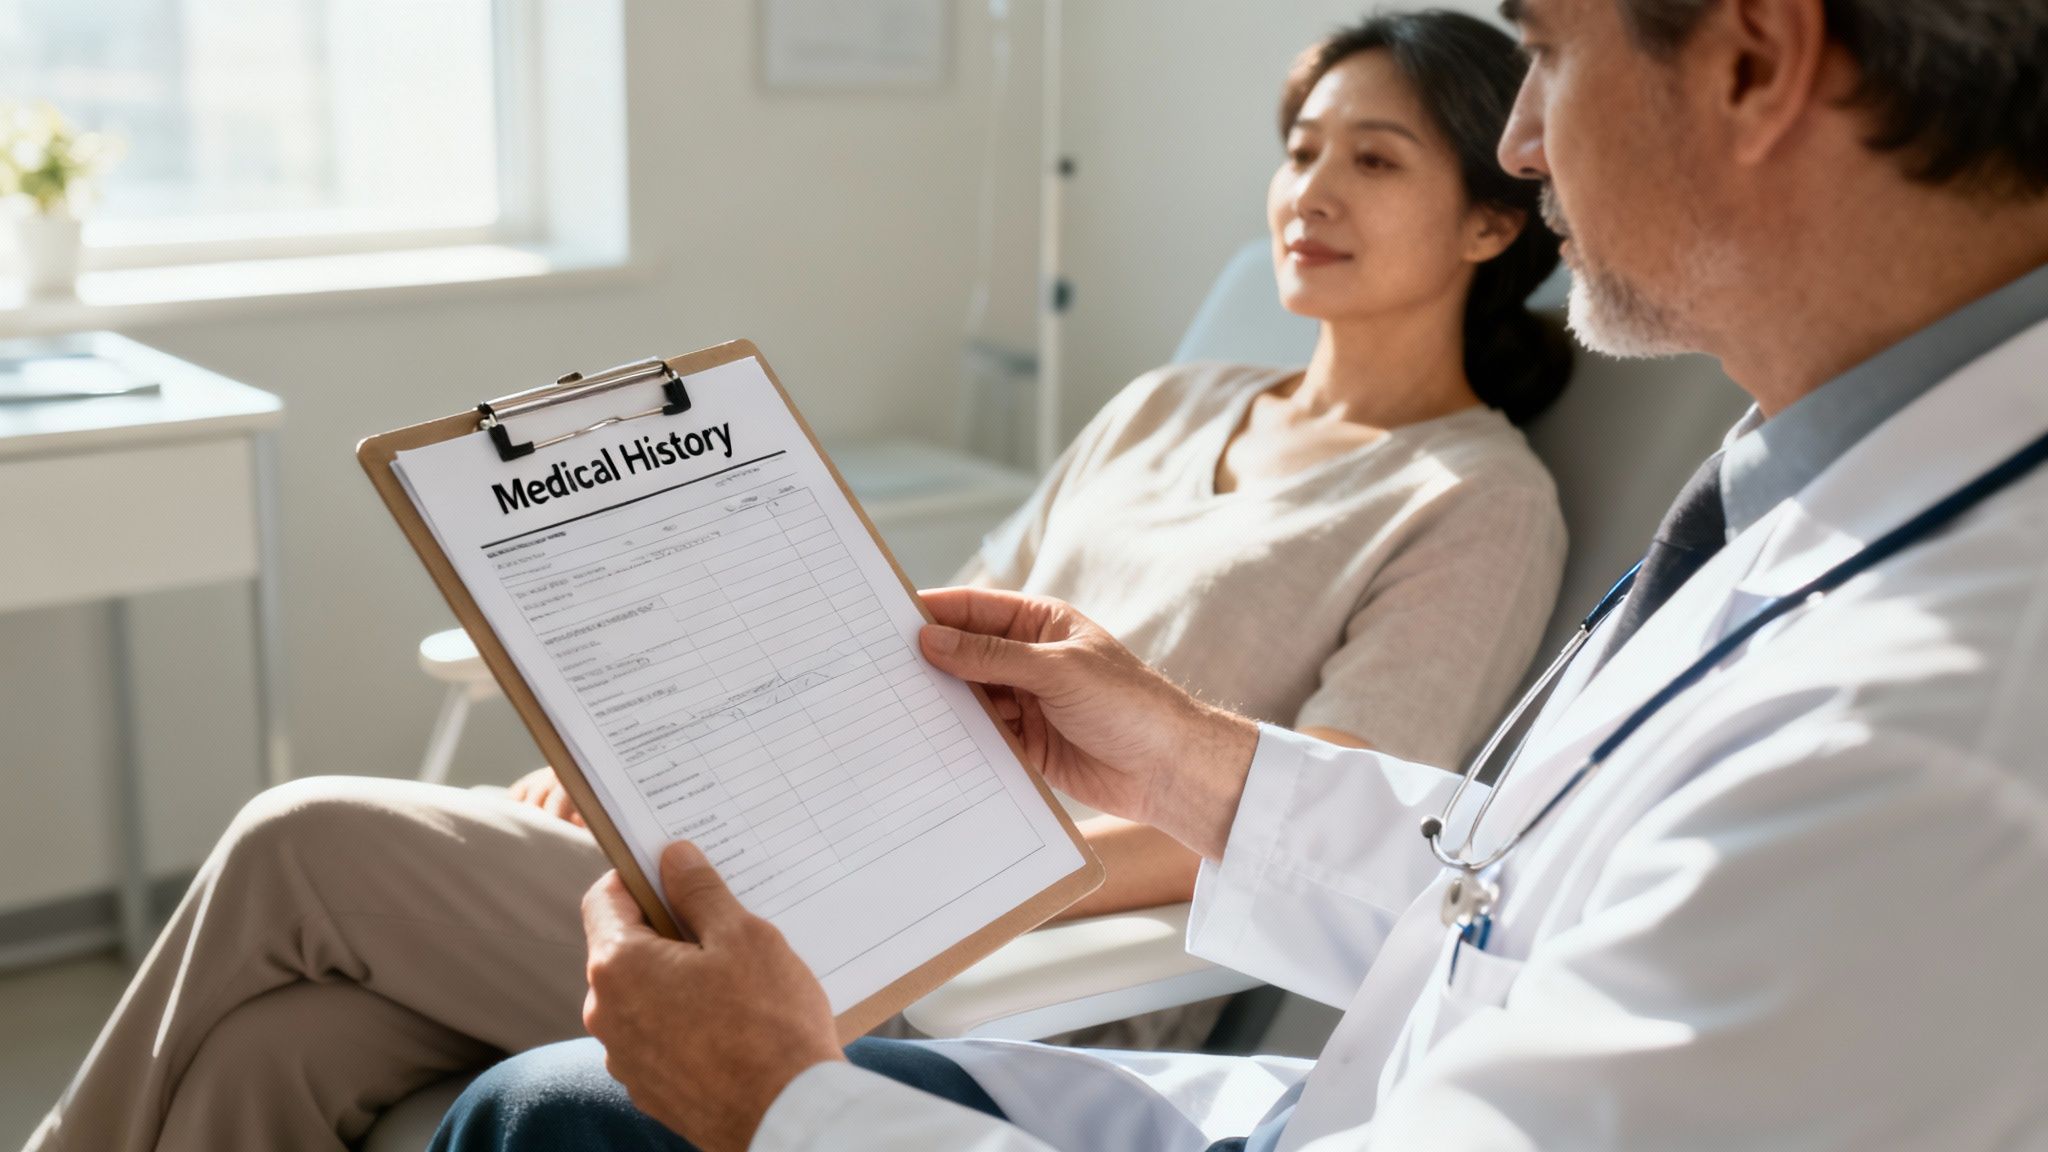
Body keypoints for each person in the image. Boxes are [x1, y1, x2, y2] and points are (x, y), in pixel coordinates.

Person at [427, 0, 2048, 1149]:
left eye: (1544, 49)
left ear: (1755, 60)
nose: (1529, 142)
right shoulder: (1825, 481)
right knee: (531, 1097)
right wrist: (1195, 763)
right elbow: (1529, 899)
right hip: (1310, 1087)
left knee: (545, 1104)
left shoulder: (1930, 734)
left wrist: (789, 1105)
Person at [26, 12, 1576, 1152]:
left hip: (994, 964)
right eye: (1300, 149)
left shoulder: (1474, 501)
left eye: (1374, 160)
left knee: (299, 841)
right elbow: (917, 644)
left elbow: (1351, 812)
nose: (1313, 188)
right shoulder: (1169, 404)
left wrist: (964, 875)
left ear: (1496, 217)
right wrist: (659, 770)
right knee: (296, 1048)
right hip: (820, 860)